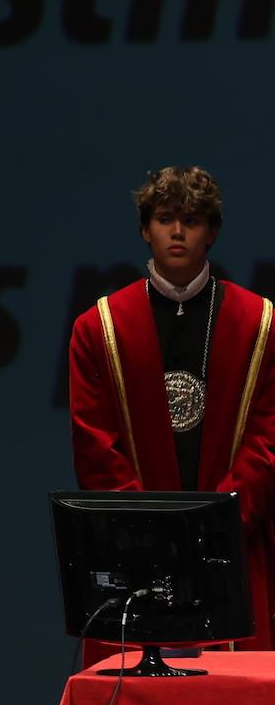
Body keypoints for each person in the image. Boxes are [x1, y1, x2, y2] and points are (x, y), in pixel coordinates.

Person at [69, 165, 273, 652]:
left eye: (192, 219)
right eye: (164, 218)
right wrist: (151, 535)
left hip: (232, 548)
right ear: (144, 230)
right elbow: (95, 445)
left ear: (213, 232)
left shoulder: (259, 324)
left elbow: (267, 440)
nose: (177, 231)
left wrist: (215, 525)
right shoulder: (99, 327)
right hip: (133, 556)